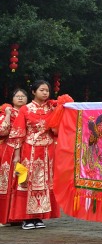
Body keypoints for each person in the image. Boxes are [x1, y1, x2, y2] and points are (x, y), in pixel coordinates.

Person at [8, 80, 64, 230]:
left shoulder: (52, 109)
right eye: (42, 90)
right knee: (25, 181)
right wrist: (16, 155)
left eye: (47, 90)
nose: (45, 93)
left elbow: (56, 130)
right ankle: (25, 218)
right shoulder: (25, 109)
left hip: (47, 151)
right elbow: (18, 133)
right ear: (33, 92)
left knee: (44, 182)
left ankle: (39, 216)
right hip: (28, 150)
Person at [0, 88, 29, 225]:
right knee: (7, 182)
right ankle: (4, 217)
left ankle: (18, 215)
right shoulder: (8, 112)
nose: (20, 98)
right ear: (12, 99)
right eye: (17, 96)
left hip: (26, 150)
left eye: (23, 96)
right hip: (9, 151)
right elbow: (2, 131)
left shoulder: (29, 113)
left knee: (22, 181)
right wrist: (6, 114)